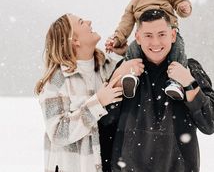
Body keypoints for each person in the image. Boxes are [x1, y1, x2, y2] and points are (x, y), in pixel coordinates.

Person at [102, 9, 214, 172]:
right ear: (138, 38)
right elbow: (105, 124)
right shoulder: (126, 70)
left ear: (173, 35)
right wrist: (117, 77)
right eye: (148, 36)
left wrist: (189, 83)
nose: (156, 42)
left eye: (162, 34)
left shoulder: (190, 69)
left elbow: (211, 124)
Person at [34, 13, 144, 172]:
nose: (89, 21)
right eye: (81, 22)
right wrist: (98, 102)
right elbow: (58, 133)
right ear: (75, 41)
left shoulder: (106, 66)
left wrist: (126, 53)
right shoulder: (56, 81)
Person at [105, 0, 192, 100]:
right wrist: (117, 38)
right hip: (144, 39)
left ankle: (176, 82)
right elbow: (126, 22)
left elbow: (179, 2)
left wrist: (184, 7)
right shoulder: (135, 2)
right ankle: (131, 77)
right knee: (133, 50)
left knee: (178, 50)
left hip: (168, 36)